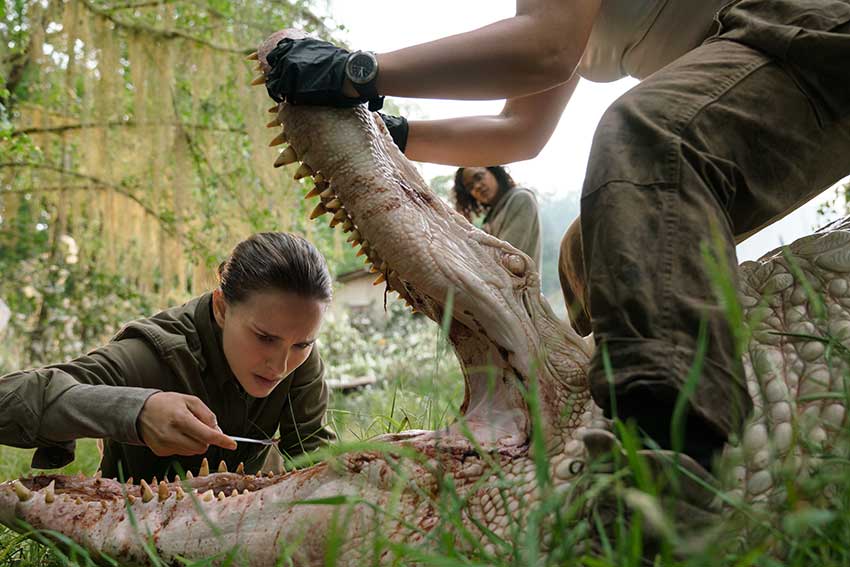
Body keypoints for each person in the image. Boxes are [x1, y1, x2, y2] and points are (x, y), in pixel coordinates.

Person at [258, 0, 850, 482]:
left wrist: (355, 71)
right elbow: (520, 130)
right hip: (754, 62)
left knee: (646, 137)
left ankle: (667, 458)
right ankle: (593, 408)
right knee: (592, 250)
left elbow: (543, 48)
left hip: (802, 26)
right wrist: (392, 134)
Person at [0, 232, 335, 481]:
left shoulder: (299, 355)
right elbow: (8, 399)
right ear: (221, 307)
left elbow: (314, 459)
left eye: (302, 344)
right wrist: (136, 411)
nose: (280, 365)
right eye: (264, 338)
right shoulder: (152, 354)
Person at [452, 166, 542, 267]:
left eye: (479, 177)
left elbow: (505, 257)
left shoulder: (521, 199)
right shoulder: (492, 215)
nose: (477, 186)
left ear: (494, 172)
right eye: (470, 187)